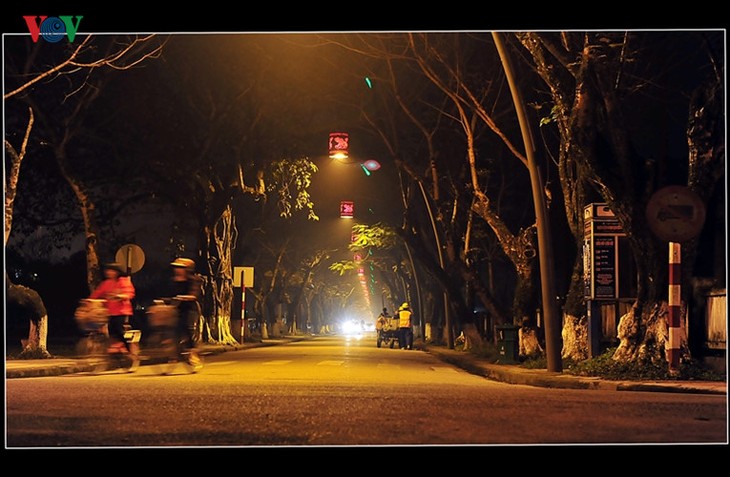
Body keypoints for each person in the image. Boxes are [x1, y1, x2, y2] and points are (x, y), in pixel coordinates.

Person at [90, 262, 135, 353]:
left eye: (111, 271)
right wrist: (89, 301)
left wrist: (120, 296)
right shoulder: (106, 283)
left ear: (116, 272)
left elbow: (129, 293)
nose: (108, 273)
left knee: (118, 330)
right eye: (107, 271)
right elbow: (97, 293)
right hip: (110, 312)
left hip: (121, 311)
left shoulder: (124, 281)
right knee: (111, 331)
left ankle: (128, 348)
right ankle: (116, 349)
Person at [170, 257, 203, 366]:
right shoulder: (174, 281)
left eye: (181, 268)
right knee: (173, 328)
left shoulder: (194, 280)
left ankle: (192, 352)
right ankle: (174, 351)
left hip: (190, 308)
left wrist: (185, 297)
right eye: (176, 267)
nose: (177, 270)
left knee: (187, 328)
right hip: (177, 308)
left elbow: (194, 294)